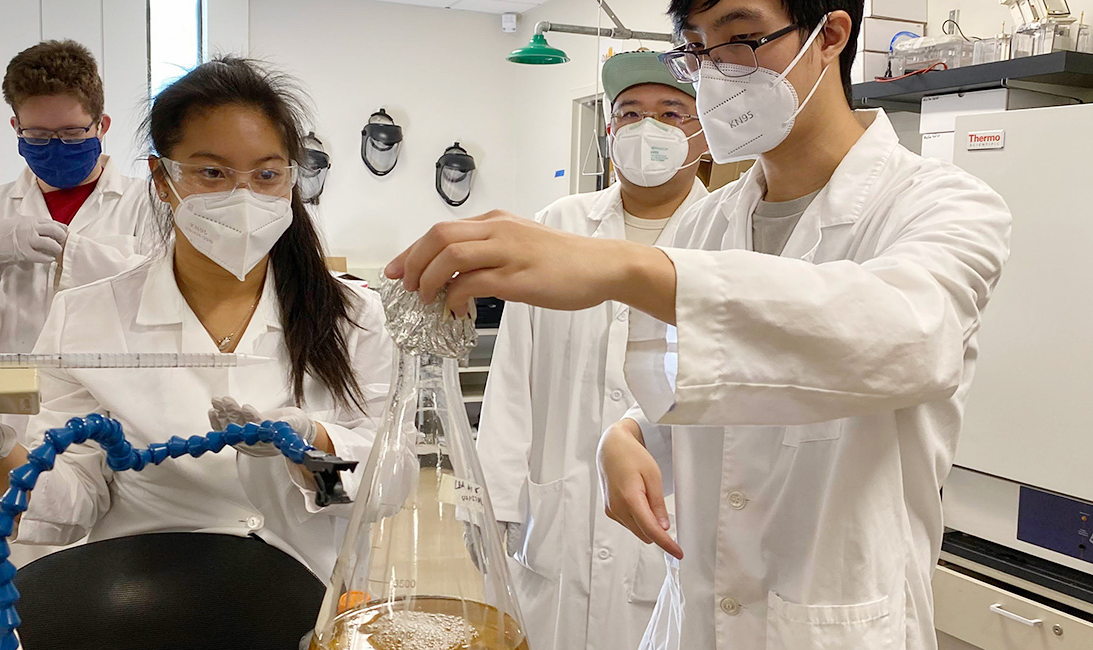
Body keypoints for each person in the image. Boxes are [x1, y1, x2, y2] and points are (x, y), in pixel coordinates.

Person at [385, 0, 1013, 647]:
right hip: (695, 621)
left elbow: (903, 336)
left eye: (740, 39)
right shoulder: (706, 226)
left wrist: (622, 269)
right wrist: (631, 432)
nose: (714, 73)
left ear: (829, 36)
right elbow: (702, 386)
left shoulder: (945, 205)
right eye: (695, 47)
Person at [0, 57, 393, 579]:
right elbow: (65, 511)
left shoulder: (352, 315)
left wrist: (312, 447)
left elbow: (385, 486)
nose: (242, 196)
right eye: (212, 172)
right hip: (146, 603)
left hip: (315, 602)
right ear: (161, 177)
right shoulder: (84, 317)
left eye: (267, 174)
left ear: (291, 178)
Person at [476, 51, 708, 650]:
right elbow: (513, 375)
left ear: (702, 131)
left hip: (672, 520)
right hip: (558, 518)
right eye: (629, 114)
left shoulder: (726, 235)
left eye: (671, 112)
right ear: (609, 134)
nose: (646, 129)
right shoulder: (559, 225)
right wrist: (494, 502)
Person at [0, 40, 152, 554]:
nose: (55, 146)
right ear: (15, 129)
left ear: (101, 127)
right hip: (4, 438)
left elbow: (164, 307)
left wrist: (76, 253)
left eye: (71, 132)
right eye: (38, 134)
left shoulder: (148, 205)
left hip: (116, 445)